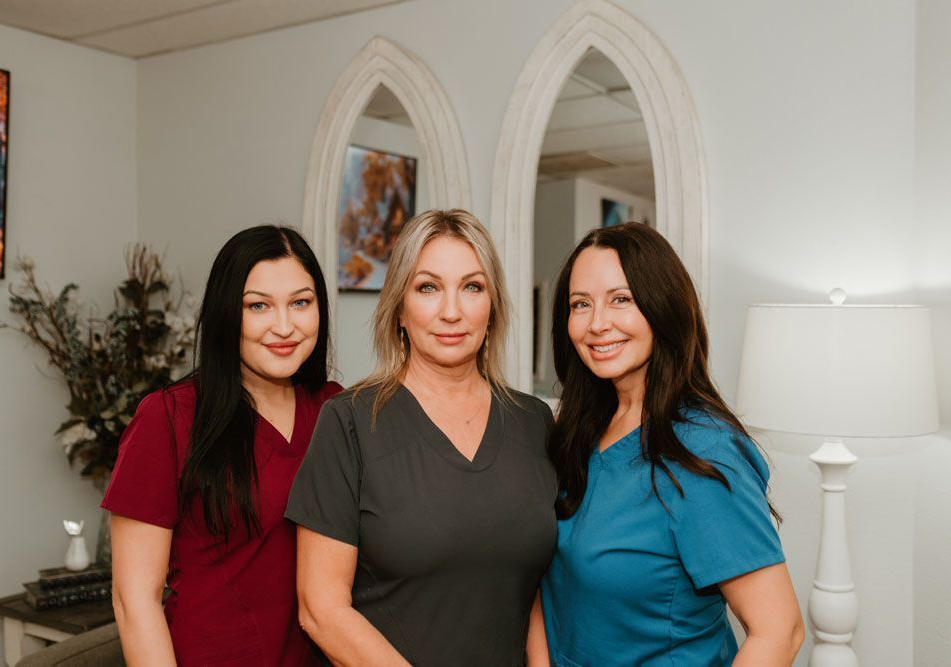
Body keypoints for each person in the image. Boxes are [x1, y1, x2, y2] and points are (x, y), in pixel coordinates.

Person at [286, 209, 558, 667]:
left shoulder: (533, 421)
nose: (451, 311)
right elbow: (321, 610)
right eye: (427, 287)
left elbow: (526, 583)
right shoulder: (349, 422)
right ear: (399, 310)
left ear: (491, 310)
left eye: (472, 287)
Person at [538, 223, 804, 666]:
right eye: (580, 304)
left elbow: (780, 632)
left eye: (621, 299)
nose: (597, 323)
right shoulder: (579, 432)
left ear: (663, 306)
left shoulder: (703, 449)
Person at [103, 225, 341, 666]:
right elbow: (133, 599)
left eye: (300, 302)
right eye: (258, 306)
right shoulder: (168, 417)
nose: (284, 326)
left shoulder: (335, 409)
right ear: (225, 313)